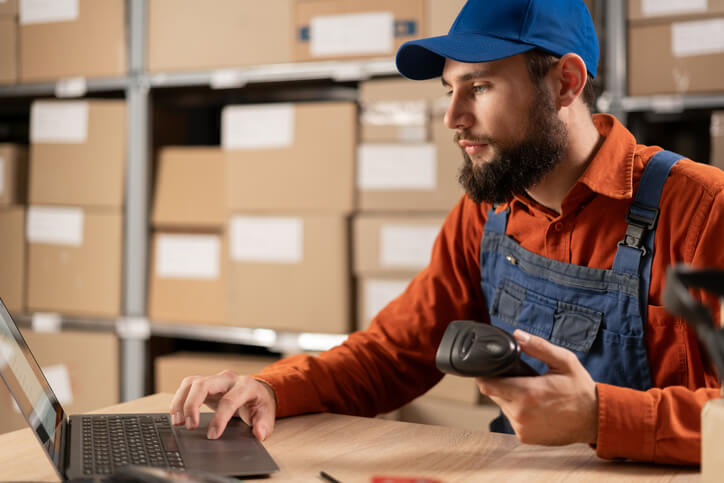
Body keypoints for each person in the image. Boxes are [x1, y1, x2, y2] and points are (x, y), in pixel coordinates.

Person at [170, 0, 724, 465]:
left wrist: (602, 417)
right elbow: (396, 352)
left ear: (565, 83)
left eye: (479, 87)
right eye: (448, 90)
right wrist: (273, 387)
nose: (452, 117)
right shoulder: (490, 213)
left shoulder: (703, 211)